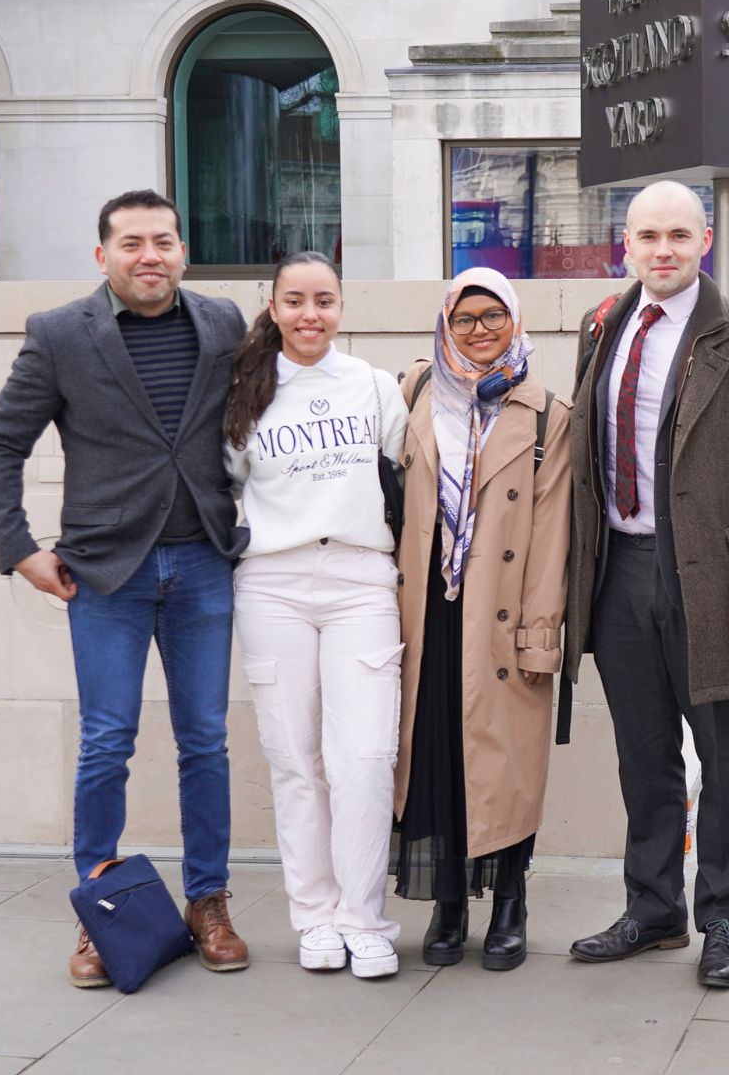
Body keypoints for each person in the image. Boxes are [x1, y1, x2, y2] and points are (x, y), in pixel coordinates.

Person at [0, 189, 251, 988]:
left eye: (162, 240)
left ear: (183, 250)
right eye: (131, 243)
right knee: (107, 743)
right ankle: (102, 915)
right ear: (103, 256)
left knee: (206, 740)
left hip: (203, 561)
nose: (149, 256)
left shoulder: (224, 323)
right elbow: (1, 444)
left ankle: (210, 902)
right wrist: (18, 548)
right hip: (106, 573)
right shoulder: (61, 335)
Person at [560, 180, 729, 990]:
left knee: (725, 761)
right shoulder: (603, 326)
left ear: (704, 244)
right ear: (624, 244)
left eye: (678, 237)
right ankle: (652, 908)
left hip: (708, 576)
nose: (663, 251)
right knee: (643, 754)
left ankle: (725, 920)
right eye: (647, 236)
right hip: (618, 570)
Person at [222, 251, 410, 979]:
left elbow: (408, 473)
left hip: (362, 578)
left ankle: (365, 919)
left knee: (363, 759)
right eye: (295, 301)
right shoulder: (248, 390)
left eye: (324, 301)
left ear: (342, 306)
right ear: (273, 306)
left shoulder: (371, 386)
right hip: (272, 582)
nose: (310, 315)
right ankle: (315, 917)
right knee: (295, 761)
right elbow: (225, 486)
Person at [391, 268, 572, 972]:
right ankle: (447, 905)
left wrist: (539, 633)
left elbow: (553, 531)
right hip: (428, 612)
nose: (479, 332)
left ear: (515, 322)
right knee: (435, 754)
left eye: (493, 317)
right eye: (464, 319)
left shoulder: (546, 412)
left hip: (500, 614)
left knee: (503, 767)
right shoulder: (413, 394)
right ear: (445, 325)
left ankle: (508, 905)